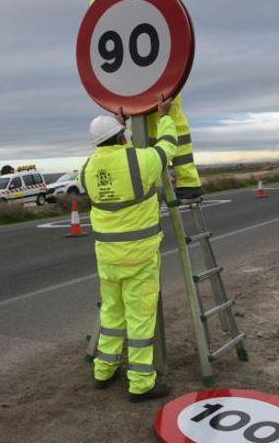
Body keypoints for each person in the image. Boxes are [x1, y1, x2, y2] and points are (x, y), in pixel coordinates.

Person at [80, 95, 177, 402]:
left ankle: (103, 371)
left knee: (111, 314)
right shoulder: (141, 159)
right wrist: (164, 116)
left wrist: (118, 127)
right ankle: (141, 383)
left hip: (107, 258)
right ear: (122, 136)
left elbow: (115, 160)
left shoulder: (86, 170)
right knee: (140, 318)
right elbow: (168, 147)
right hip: (139, 256)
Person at [99, 0, 203, 200]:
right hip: (135, 72)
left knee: (174, 122)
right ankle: (151, 186)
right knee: (142, 130)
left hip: (163, 64)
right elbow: (96, 12)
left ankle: (188, 182)